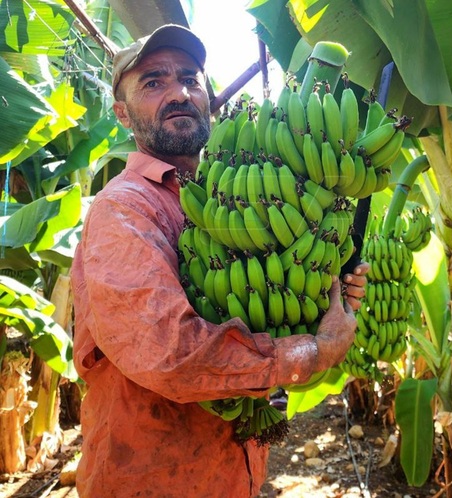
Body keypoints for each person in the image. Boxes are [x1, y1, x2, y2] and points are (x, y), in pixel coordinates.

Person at [70, 24, 367, 497]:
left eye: (190, 78)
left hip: (233, 474)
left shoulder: (225, 191)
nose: (180, 93)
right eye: (154, 82)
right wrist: (312, 352)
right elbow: (169, 352)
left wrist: (320, 282)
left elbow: (261, 306)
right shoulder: (124, 209)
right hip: (150, 479)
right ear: (122, 114)